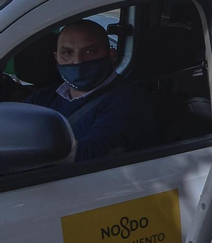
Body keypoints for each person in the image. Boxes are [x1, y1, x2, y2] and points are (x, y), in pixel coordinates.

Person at [21, 20, 145, 162]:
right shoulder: (43, 98)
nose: (78, 61)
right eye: (67, 53)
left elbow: (93, 152)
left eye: (89, 51)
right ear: (56, 58)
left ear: (111, 55)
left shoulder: (128, 101)